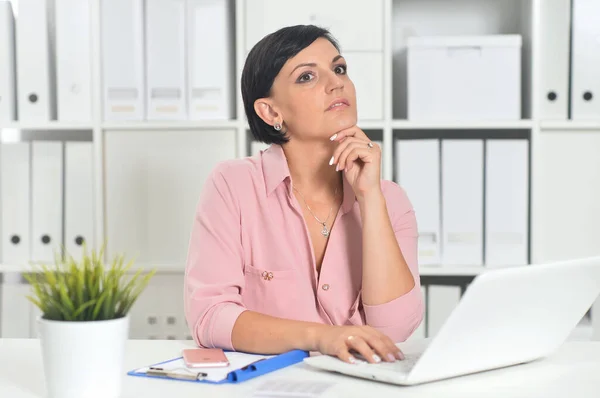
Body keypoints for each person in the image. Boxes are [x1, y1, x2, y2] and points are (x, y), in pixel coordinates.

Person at [184, 25, 423, 365]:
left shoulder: (389, 199)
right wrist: (323, 337)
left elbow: (395, 328)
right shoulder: (232, 185)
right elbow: (210, 317)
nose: (336, 82)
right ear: (270, 112)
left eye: (338, 69)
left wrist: (370, 199)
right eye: (307, 76)